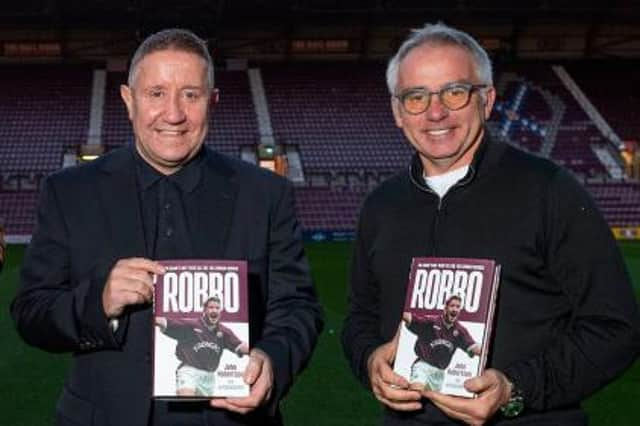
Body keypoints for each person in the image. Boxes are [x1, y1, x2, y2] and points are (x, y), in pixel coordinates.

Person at [12, 28, 323, 426]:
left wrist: (273, 360)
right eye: (156, 93)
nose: (173, 114)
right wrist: (99, 302)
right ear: (128, 100)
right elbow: (31, 311)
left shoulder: (265, 193)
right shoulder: (69, 192)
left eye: (190, 95)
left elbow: (297, 307)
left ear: (211, 102)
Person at [341, 22, 639, 425]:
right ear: (397, 111)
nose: (435, 111)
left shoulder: (550, 190)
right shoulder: (380, 205)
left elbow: (616, 327)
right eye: (416, 96)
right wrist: (370, 358)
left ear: (488, 99)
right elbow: (359, 318)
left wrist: (516, 388)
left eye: (455, 91)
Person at [155, 296, 250, 396]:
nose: (214, 310)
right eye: (211, 307)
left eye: (217, 308)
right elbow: (165, 322)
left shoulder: (224, 332)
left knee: (202, 408)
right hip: (189, 371)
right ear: (204, 310)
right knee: (186, 402)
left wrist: (254, 351)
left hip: (209, 377)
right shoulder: (192, 325)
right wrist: (152, 317)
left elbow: (239, 345)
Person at [402, 295, 480, 392]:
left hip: (439, 373)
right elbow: (410, 318)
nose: (455, 309)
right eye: (452, 306)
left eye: (458, 306)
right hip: (423, 366)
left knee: (431, 402)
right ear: (445, 308)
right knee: (416, 393)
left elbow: (473, 347)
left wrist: (483, 351)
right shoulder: (431, 322)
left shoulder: (460, 331)